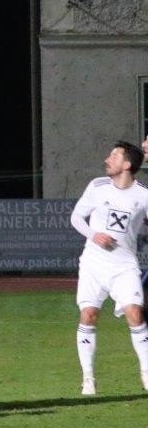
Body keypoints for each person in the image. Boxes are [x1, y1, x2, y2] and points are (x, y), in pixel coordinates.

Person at [66, 140, 148, 396]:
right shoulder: (97, 186)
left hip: (125, 266)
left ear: (127, 164)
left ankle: (146, 374)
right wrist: (94, 235)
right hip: (93, 265)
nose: (107, 160)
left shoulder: (143, 194)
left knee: (135, 314)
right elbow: (76, 217)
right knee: (88, 315)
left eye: (114, 156)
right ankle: (88, 379)